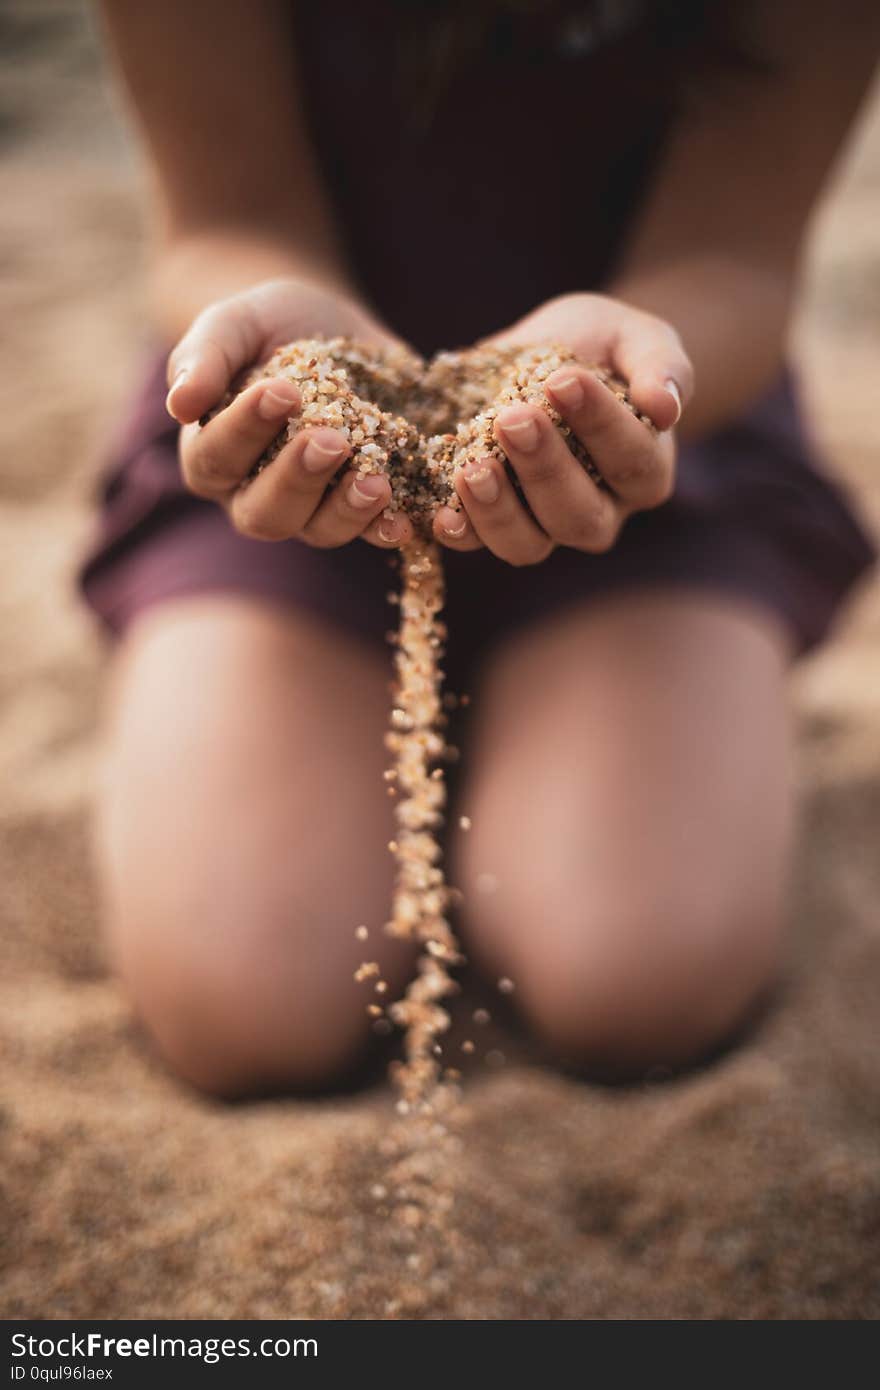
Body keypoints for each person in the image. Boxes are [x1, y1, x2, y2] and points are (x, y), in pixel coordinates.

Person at [82, 0, 878, 1097]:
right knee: (246, 1004)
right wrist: (274, 355)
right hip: (292, 464)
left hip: (642, 461)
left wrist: (627, 386)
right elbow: (222, 221)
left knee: (637, 980)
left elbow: (735, 260)